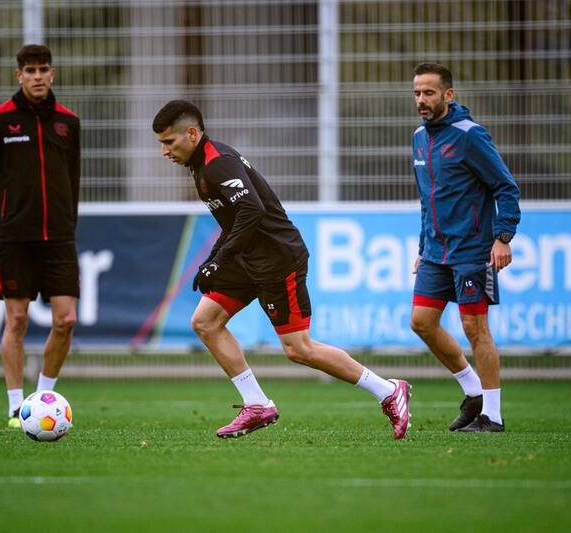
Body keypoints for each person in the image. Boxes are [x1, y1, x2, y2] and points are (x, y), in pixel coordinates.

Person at [152, 100, 411, 440]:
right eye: (161, 144)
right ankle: (256, 404)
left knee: (298, 349)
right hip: (247, 257)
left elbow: (252, 211)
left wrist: (219, 260)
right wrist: (214, 260)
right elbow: (234, 223)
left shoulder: (218, 164)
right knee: (205, 322)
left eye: (169, 142)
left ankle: (388, 391)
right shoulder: (201, 165)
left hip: (277, 259)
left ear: (192, 133)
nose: (165, 151)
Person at [0, 44, 81, 428]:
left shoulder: (69, 122)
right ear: (18, 75)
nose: (37, 76)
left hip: (59, 239)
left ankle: (44, 395)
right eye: (30, 70)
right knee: (16, 320)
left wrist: (69, 224)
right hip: (13, 238)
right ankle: (16, 407)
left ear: (53, 73)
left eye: (43, 69)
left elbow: (73, 181)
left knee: (66, 319)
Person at [409, 62, 521, 432]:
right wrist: (424, 245)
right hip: (435, 252)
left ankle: (493, 415)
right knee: (422, 322)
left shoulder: (470, 135)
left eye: (429, 93)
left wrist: (502, 237)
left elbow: (505, 188)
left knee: (475, 328)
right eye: (417, 93)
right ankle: (473, 391)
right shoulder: (419, 139)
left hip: (472, 250)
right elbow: (429, 201)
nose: (421, 100)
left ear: (448, 95)